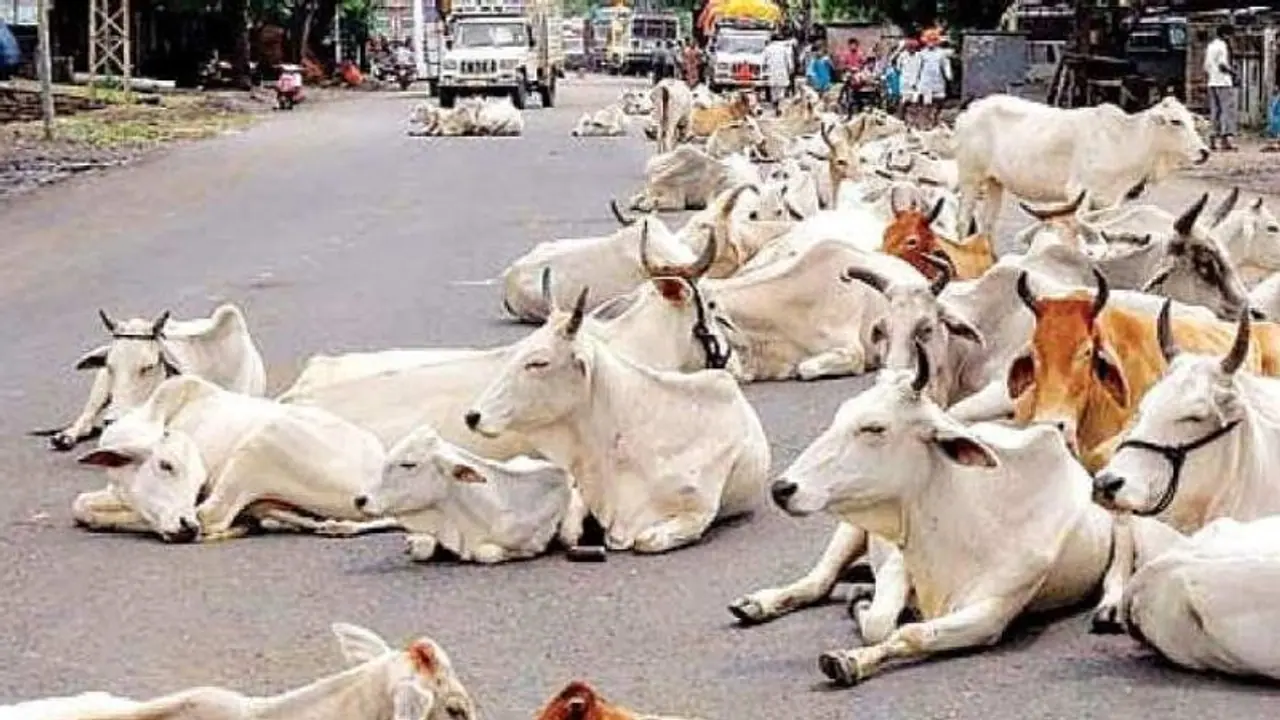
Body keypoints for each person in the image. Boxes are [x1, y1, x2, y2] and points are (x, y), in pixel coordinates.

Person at [1206, 23, 1239, 151]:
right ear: (1226, 34)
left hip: (1212, 82)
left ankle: (1212, 140)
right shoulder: (1222, 46)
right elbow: (1222, 65)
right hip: (1223, 82)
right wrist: (1234, 73)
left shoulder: (1211, 46)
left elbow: (1207, 65)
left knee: (1215, 112)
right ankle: (1225, 142)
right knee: (1227, 111)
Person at [916, 30, 952, 128]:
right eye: (929, 40)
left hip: (938, 81)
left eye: (933, 40)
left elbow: (946, 65)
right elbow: (918, 67)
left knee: (939, 101)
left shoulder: (941, 53)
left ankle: (936, 120)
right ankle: (925, 123)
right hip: (926, 82)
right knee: (926, 104)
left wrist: (949, 75)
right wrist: (915, 80)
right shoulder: (922, 54)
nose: (931, 43)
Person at [762, 33, 793, 111]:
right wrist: (791, 69)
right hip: (782, 70)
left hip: (771, 71)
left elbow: (763, 61)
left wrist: (764, 71)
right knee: (781, 89)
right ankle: (779, 104)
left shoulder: (767, 48)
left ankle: (775, 103)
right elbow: (789, 61)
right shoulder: (784, 49)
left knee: (773, 89)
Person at [896, 38, 923, 124]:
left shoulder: (919, 56)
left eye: (913, 47)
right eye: (910, 47)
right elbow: (898, 68)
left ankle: (914, 121)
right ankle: (899, 120)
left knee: (915, 102)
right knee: (903, 101)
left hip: (916, 82)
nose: (912, 49)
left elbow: (921, 69)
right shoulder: (902, 56)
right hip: (905, 82)